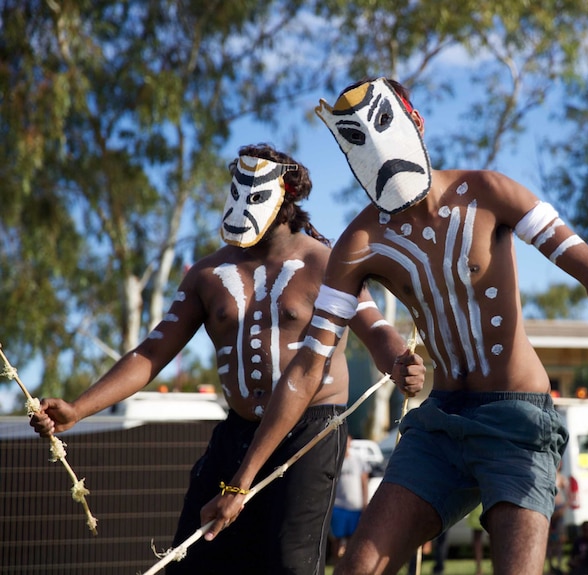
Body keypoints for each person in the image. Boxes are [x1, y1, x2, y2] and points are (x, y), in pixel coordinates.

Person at [199, 77, 588, 575]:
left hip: (519, 423)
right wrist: (241, 482)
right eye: (355, 139)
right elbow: (308, 366)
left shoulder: (488, 192)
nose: (377, 149)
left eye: (384, 124)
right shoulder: (359, 243)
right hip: (439, 425)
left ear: (415, 121)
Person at [29, 143, 425, 575]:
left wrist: (398, 363)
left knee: (286, 564)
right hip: (237, 433)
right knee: (195, 557)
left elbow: (377, 329)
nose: (241, 203)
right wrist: (77, 409)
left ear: (287, 197)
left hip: (308, 434)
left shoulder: (325, 264)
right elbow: (151, 352)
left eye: (256, 193)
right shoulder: (206, 274)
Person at [331, 436, 371, 561]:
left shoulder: (358, 461)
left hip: (354, 507)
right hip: (338, 506)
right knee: (336, 538)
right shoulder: (335, 461)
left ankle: (349, 562)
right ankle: (337, 563)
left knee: (352, 538)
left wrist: (365, 503)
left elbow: (364, 483)